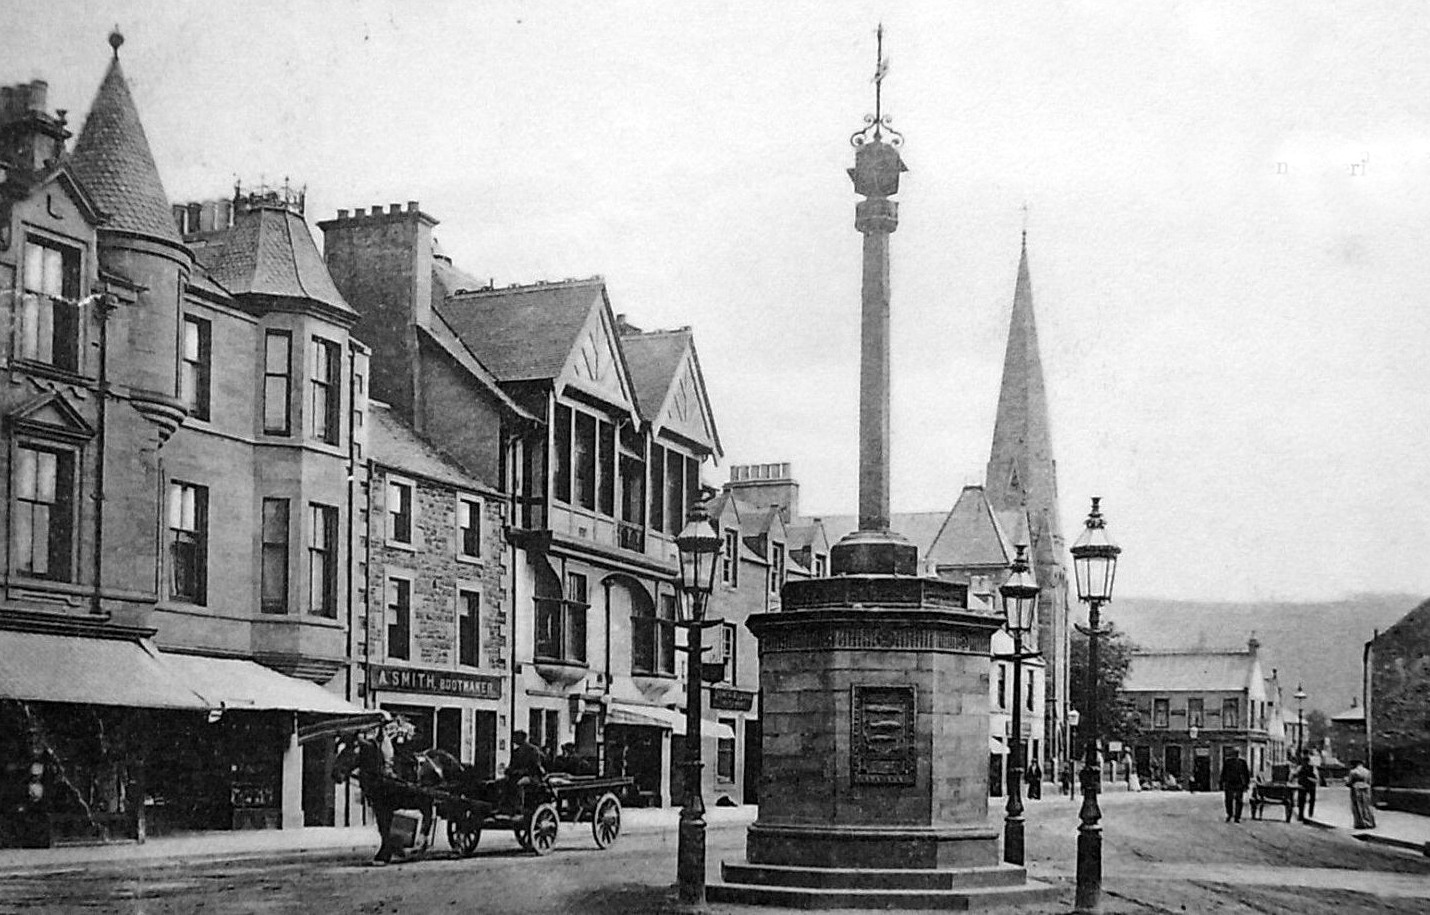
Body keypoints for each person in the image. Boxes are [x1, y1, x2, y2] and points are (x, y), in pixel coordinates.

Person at [501, 730, 547, 812]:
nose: (514, 739)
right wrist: (508, 771)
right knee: (502, 783)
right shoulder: (516, 752)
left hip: (532, 777)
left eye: (516, 737)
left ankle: (519, 808)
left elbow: (536, 767)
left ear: (523, 738)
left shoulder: (533, 750)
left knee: (519, 784)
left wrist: (522, 772)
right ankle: (505, 807)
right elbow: (512, 765)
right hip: (517, 776)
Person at [1219, 747, 1251, 823]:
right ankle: (1230, 814)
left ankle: (1237, 816)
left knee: (1238, 801)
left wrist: (1246, 784)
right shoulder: (1228, 762)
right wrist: (1222, 782)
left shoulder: (1242, 762)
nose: (1235, 755)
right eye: (1234, 754)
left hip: (1238, 784)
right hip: (1230, 783)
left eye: (1236, 754)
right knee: (1229, 801)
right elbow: (1224, 773)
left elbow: (1246, 774)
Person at [1347, 760, 1376, 829]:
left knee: (1358, 806)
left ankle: (1361, 823)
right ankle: (1370, 822)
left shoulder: (1353, 772)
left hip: (1356, 789)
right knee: (1367, 805)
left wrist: (1347, 783)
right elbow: (1370, 781)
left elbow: (1349, 782)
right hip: (1366, 789)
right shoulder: (1368, 772)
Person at [1294, 754, 1319, 822]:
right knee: (1304, 800)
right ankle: (1303, 814)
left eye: (1305, 761)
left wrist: (1306, 778)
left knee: (1304, 800)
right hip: (1307, 786)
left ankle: (1307, 813)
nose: (1305, 763)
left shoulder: (1302, 767)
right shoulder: (1311, 768)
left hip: (1306, 785)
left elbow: (1295, 775)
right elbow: (1316, 778)